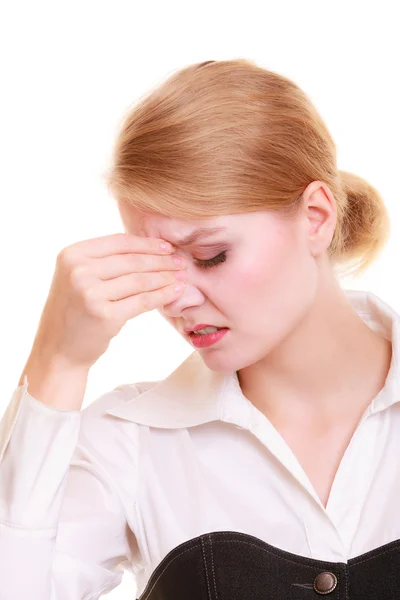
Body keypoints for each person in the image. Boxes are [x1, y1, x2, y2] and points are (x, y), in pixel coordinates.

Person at [0, 58, 397, 599]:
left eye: (210, 255)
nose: (176, 298)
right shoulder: (127, 443)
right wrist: (57, 363)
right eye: (155, 264)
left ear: (316, 218)